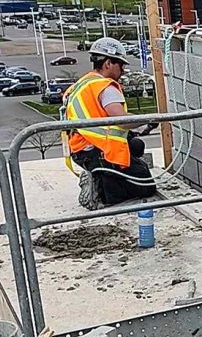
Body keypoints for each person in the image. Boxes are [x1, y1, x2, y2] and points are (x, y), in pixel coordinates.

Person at [64, 37, 156, 209]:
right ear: (107, 63)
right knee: (145, 185)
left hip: (82, 148)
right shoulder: (105, 87)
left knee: (136, 145)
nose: (123, 69)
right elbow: (120, 119)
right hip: (96, 151)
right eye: (120, 64)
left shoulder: (84, 83)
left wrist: (139, 129)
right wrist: (147, 120)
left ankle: (102, 174)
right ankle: (99, 189)